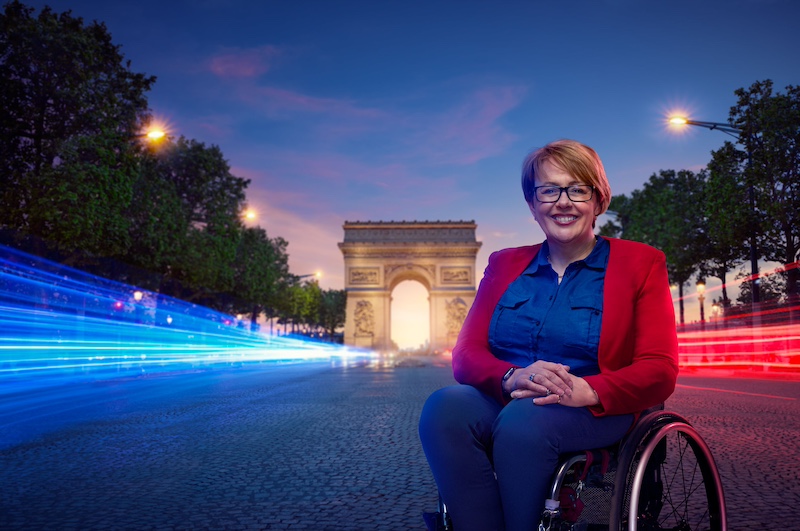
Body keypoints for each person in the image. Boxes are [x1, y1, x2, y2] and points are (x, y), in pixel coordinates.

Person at [418, 139, 679, 531]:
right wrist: (511, 376)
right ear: (532, 203)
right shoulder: (504, 264)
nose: (563, 201)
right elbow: (466, 353)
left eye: (578, 189)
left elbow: (660, 369)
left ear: (598, 198)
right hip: (510, 396)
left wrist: (587, 390)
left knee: (525, 421)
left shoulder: (641, 263)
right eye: (549, 190)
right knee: (444, 408)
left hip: (594, 406)